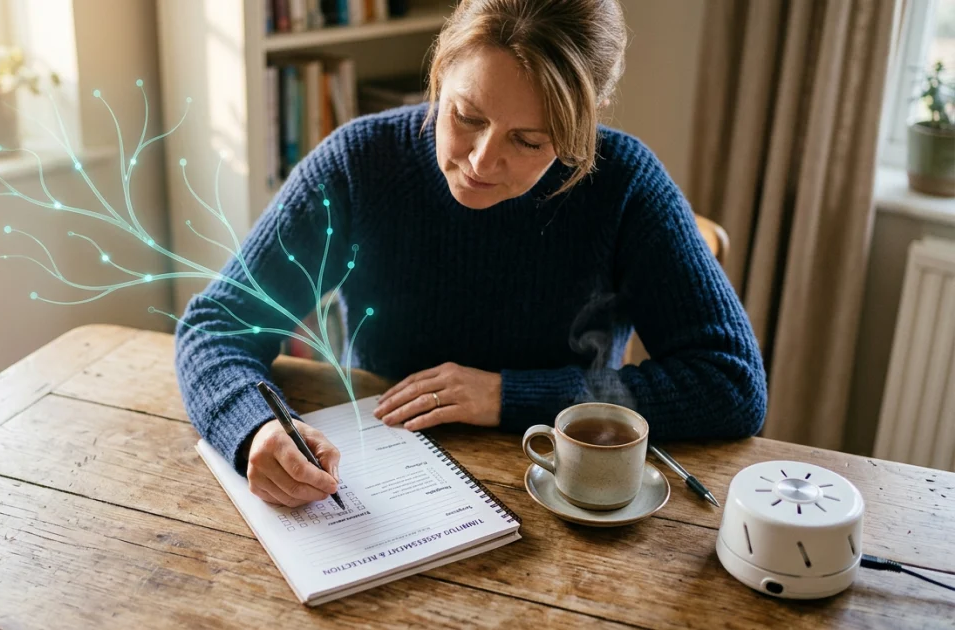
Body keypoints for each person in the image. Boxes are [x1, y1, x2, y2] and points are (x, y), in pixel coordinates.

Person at [175, 0, 767, 508]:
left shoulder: (625, 185)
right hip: (378, 480)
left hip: (569, 495)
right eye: (466, 116)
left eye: (529, 140)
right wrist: (252, 431)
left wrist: (508, 396)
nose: (482, 162)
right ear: (440, 73)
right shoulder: (362, 165)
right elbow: (216, 325)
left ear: (579, 129)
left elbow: (731, 383)